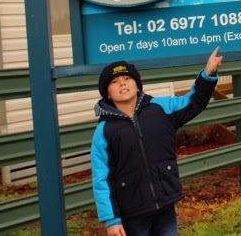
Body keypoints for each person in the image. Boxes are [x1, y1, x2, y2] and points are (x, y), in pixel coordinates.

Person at [90, 47, 223, 236]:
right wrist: (111, 220)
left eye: (127, 78)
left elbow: (193, 101)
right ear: (108, 94)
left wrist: (208, 74)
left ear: (138, 86)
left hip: (165, 203)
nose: (122, 83)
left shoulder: (160, 109)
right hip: (132, 214)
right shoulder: (104, 131)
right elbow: (101, 177)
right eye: (114, 81)